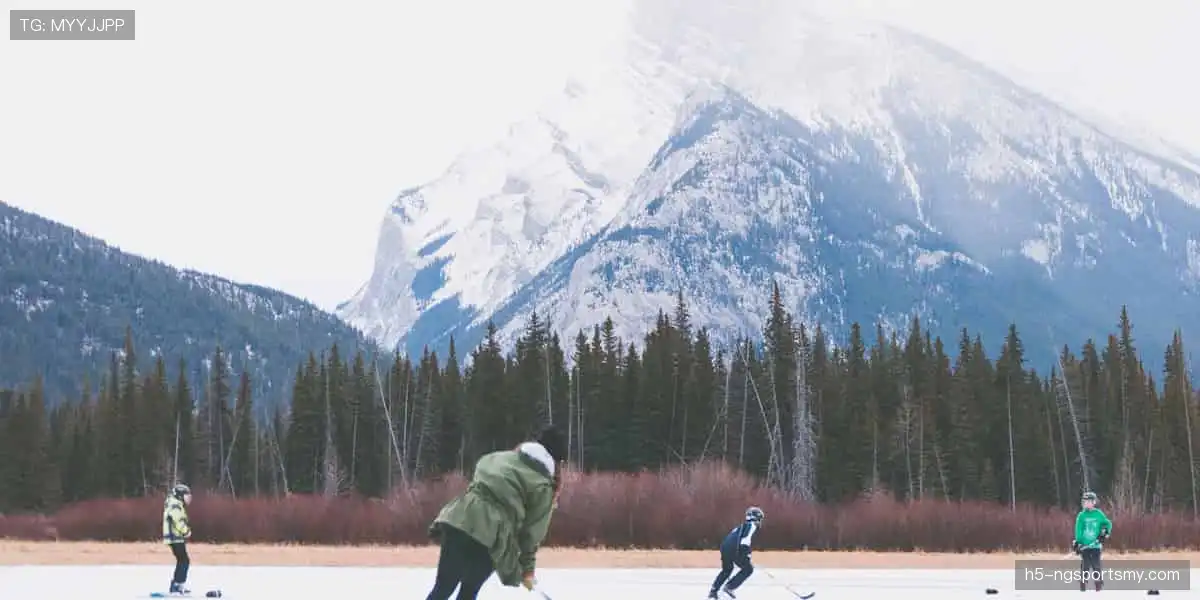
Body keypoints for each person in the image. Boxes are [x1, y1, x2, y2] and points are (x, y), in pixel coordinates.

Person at [425, 425, 567, 600]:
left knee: (442, 588)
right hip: (493, 536)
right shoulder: (543, 487)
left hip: (461, 517)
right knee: (468, 593)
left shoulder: (498, 457)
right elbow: (531, 535)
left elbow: (480, 472)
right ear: (557, 462)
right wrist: (528, 571)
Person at [708, 506, 764, 599]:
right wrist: (746, 555)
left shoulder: (742, 526)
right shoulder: (751, 526)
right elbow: (745, 541)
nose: (760, 522)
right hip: (734, 549)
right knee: (748, 569)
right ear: (756, 518)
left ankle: (713, 591)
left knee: (727, 570)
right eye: (760, 519)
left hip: (725, 548)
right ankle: (729, 587)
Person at [1071, 491, 1112, 592]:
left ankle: (1098, 585)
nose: (1086, 503)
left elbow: (1107, 524)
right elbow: (1078, 530)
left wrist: (1105, 533)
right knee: (1085, 566)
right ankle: (1083, 585)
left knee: (1096, 565)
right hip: (1085, 546)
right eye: (1085, 501)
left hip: (1096, 546)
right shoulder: (1081, 515)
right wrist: (1078, 543)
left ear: (1094, 502)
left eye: (1088, 501)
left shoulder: (1098, 514)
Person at [162, 483, 193, 596]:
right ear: (180, 496)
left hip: (176, 538)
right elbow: (178, 521)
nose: (188, 498)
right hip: (175, 538)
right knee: (184, 560)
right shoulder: (175, 505)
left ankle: (177, 584)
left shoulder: (175, 504)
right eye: (186, 496)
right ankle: (177, 584)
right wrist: (186, 531)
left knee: (182, 560)